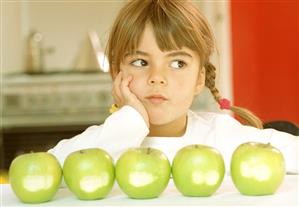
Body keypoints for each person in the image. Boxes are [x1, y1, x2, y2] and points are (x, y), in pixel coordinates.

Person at [48, 0, 298, 174]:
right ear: (117, 73)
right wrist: (130, 121)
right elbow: (47, 171)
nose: (157, 77)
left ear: (199, 79)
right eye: (140, 61)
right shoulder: (107, 139)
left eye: (177, 63)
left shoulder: (220, 136)